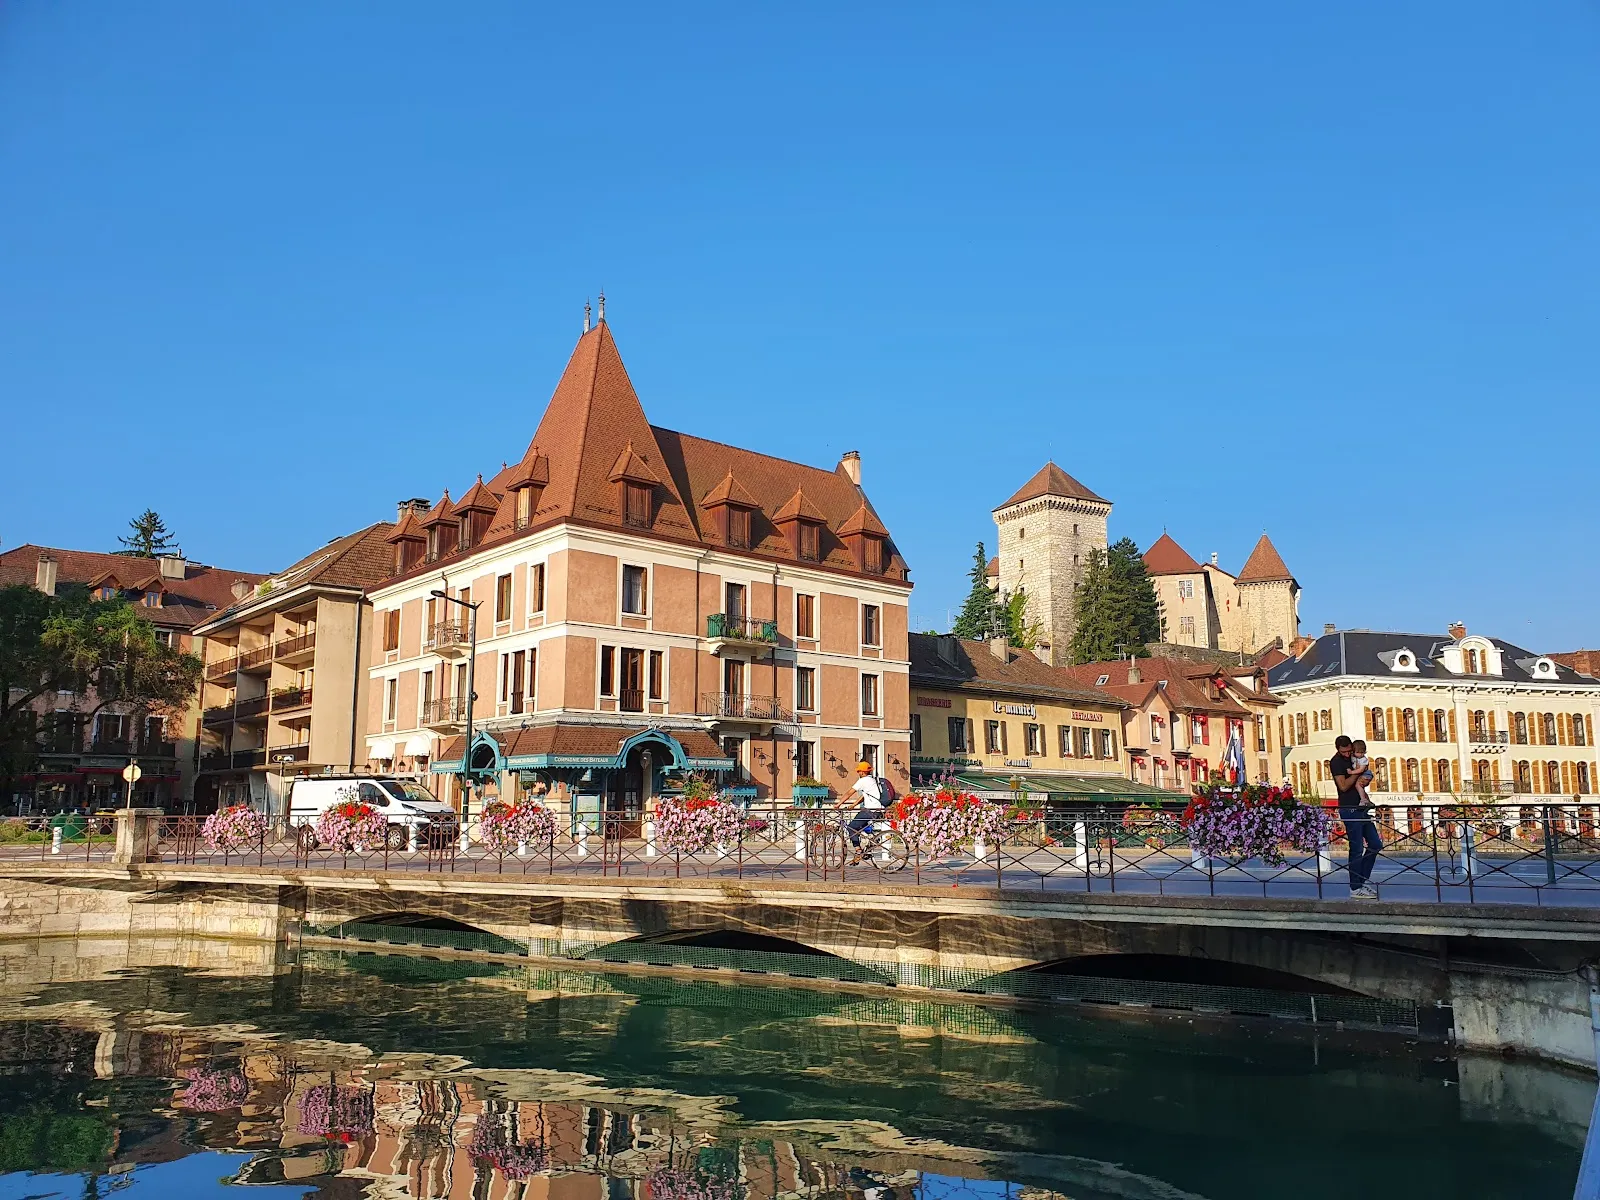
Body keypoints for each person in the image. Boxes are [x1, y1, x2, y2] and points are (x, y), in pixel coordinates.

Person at [1330, 734, 1382, 899]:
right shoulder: (1336, 762)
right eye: (1344, 752)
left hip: (1361, 807)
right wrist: (1359, 774)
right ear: (1338, 749)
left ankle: (1361, 880)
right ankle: (1355, 887)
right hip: (1349, 808)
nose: (1347, 754)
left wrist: (1363, 778)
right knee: (1357, 848)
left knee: (1375, 844)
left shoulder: (1354, 755)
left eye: (1349, 751)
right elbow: (1343, 786)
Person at [836, 761, 885, 864]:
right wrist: (854, 805)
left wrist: (838, 804)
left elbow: (849, 793)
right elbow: (864, 796)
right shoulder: (872, 780)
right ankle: (870, 839)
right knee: (859, 827)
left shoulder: (862, 781)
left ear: (862, 772)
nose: (858, 773)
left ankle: (858, 852)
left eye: (859, 771)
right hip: (878, 809)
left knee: (851, 827)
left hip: (870, 810)